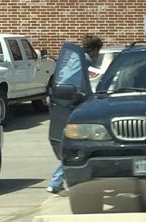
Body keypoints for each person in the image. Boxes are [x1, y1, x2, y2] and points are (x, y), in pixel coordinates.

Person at [47, 34, 103, 194]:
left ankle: (57, 182)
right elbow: (82, 83)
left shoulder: (75, 58)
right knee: (77, 145)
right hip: (74, 104)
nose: (98, 54)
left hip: (64, 101)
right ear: (94, 49)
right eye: (98, 50)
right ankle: (56, 182)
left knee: (73, 145)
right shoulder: (85, 60)